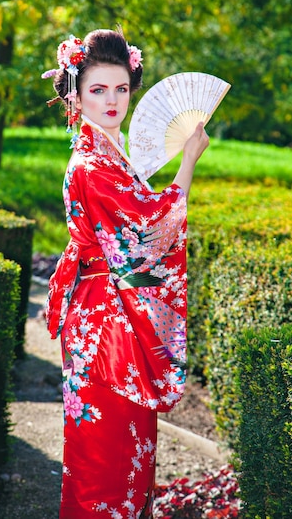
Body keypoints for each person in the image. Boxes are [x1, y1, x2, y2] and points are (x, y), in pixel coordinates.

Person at [42, 28, 209, 518]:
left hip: (111, 315)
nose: (112, 100)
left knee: (128, 456)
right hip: (105, 328)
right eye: (98, 89)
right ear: (76, 93)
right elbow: (145, 235)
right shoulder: (91, 163)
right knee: (104, 463)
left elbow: (137, 227)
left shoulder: (111, 153)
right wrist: (188, 167)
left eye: (120, 88)